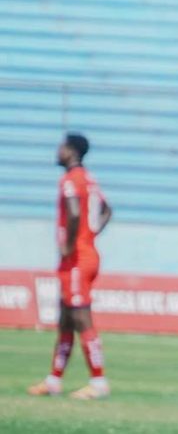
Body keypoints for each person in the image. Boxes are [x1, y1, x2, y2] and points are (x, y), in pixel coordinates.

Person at [28, 133, 113, 399]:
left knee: (81, 318)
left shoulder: (70, 180)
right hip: (85, 255)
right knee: (65, 321)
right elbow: (107, 210)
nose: (58, 151)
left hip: (77, 259)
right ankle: (54, 380)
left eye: (62, 147)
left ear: (71, 151)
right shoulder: (89, 179)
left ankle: (98, 382)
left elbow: (74, 212)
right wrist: (92, 234)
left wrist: (70, 245)